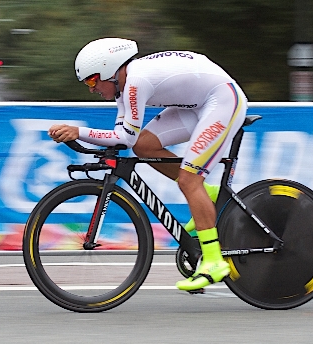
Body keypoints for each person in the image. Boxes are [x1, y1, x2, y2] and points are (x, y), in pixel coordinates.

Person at [48, 37, 247, 292]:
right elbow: (128, 139)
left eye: (91, 80)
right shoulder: (123, 86)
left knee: (189, 179)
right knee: (144, 145)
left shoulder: (135, 82)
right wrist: (81, 134)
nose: (91, 88)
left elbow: (123, 138)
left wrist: (79, 131)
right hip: (196, 104)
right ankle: (207, 195)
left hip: (222, 100)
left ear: (108, 70)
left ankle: (213, 261)